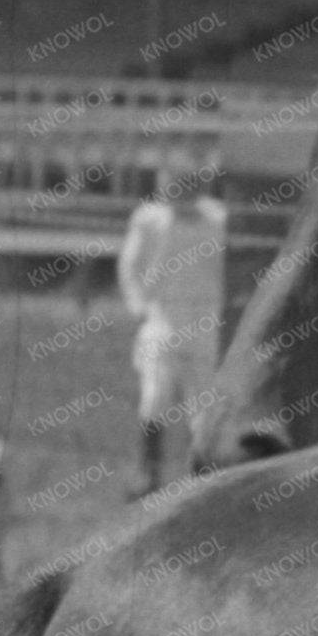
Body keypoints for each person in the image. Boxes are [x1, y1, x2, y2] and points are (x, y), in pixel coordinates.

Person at [117, 158, 227, 494]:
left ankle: (203, 479)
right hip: (163, 321)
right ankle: (148, 475)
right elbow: (130, 265)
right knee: (154, 396)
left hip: (207, 322)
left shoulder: (220, 219)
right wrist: (138, 304)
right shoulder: (150, 219)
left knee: (204, 404)